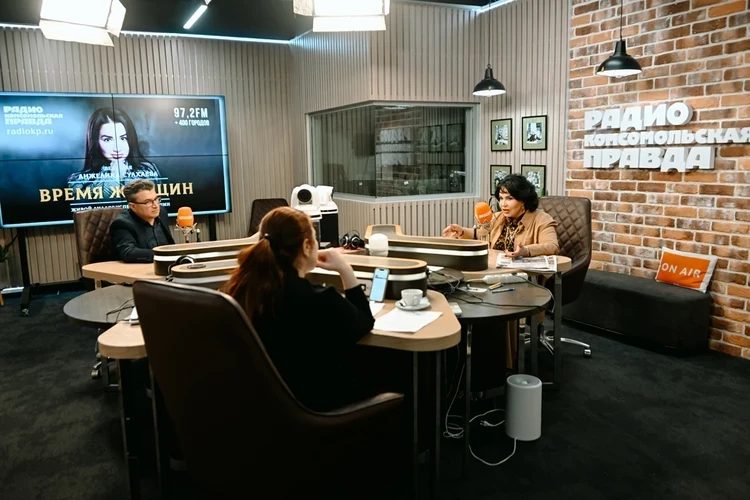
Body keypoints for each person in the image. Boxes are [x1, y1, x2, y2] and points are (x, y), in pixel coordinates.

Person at [223, 207, 376, 412]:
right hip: (318, 410)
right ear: (306, 246)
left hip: (264, 410)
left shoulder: (243, 292)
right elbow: (364, 323)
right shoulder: (320, 299)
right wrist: (344, 269)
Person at [442, 173, 559, 257]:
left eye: (509, 198)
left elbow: (552, 246)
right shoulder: (498, 217)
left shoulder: (542, 220)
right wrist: (461, 231)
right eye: (501, 198)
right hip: (495, 271)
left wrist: (527, 250)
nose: (503, 204)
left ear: (523, 200)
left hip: (525, 276)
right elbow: (480, 233)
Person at [68, 108, 160, 199]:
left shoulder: (148, 170)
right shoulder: (78, 181)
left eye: (123, 138)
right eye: (107, 140)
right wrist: (114, 178)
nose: (117, 148)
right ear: (95, 142)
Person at [110, 179, 174, 263]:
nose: (155, 205)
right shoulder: (122, 223)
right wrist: (163, 255)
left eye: (156, 199)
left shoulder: (162, 212)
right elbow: (128, 252)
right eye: (148, 202)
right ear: (133, 206)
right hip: (138, 268)